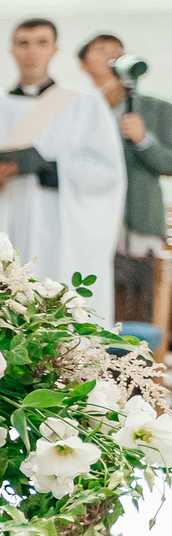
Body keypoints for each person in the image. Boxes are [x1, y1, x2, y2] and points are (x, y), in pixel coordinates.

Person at [0, 19, 124, 321]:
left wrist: (48, 167)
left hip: (55, 228)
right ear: (12, 50)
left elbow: (107, 172)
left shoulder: (85, 105)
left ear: (55, 50)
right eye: (23, 43)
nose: (31, 52)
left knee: (53, 309)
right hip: (0, 223)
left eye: (41, 43)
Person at [77, 32, 172, 322]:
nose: (112, 56)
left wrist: (145, 140)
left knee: (141, 307)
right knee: (91, 303)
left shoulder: (157, 108)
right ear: (83, 64)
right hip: (89, 220)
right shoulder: (77, 109)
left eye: (118, 50)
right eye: (102, 49)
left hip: (139, 221)